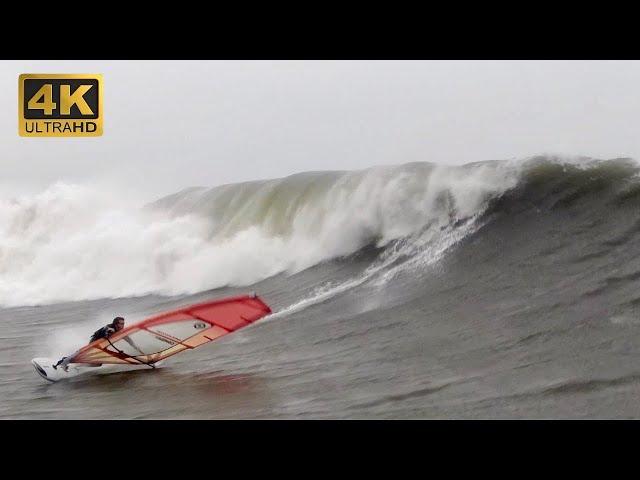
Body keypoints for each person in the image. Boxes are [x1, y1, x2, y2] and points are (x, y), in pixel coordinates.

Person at [53, 317, 143, 371]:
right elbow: (106, 331)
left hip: (102, 345)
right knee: (82, 353)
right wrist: (108, 334)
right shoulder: (109, 328)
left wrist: (136, 348)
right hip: (95, 341)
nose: (123, 325)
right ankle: (63, 362)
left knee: (98, 363)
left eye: (123, 323)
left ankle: (77, 366)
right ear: (115, 324)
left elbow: (129, 340)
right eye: (121, 324)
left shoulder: (120, 331)